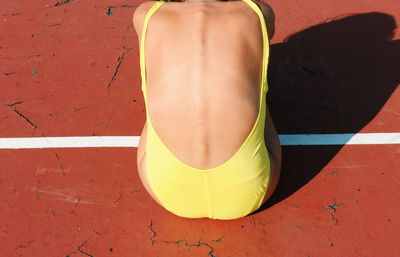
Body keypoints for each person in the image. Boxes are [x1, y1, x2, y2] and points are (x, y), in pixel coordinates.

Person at [133, 0, 281, 220]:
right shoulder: (259, 12)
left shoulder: (146, 15)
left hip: (167, 189)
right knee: (259, 90)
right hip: (251, 187)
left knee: (152, 96)